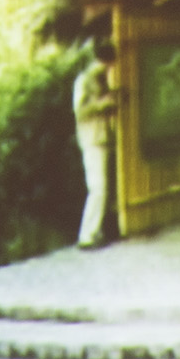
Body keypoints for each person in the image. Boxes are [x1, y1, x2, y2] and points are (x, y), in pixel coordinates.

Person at [69, 32, 121, 251]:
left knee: (102, 188)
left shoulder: (100, 79)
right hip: (91, 139)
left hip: (101, 137)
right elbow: (80, 111)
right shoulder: (84, 80)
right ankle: (86, 236)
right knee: (97, 188)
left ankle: (96, 231)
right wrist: (103, 103)